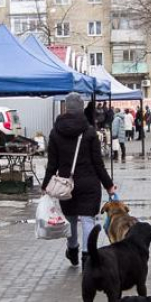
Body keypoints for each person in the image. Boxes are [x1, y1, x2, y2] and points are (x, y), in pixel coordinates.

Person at [43, 93, 116, 268]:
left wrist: (45, 185)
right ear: (81, 107)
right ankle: (87, 258)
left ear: (66, 108)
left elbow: (52, 164)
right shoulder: (89, 131)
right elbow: (98, 163)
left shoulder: (55, 133)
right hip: (89, 184)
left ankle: (73, 249)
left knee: (71, 219)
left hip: (66, 185)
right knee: (88, 220)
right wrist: (109, 185)